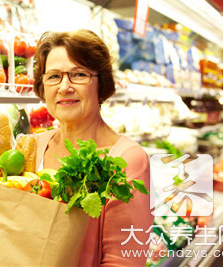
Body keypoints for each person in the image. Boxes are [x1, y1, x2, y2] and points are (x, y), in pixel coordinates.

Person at [32, 29, 153, 266]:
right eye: (54, 76)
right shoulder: (35, 146)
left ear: (101, 83)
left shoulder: (127, 160)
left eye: (78, 75)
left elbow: (124, 261)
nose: (64, 87)